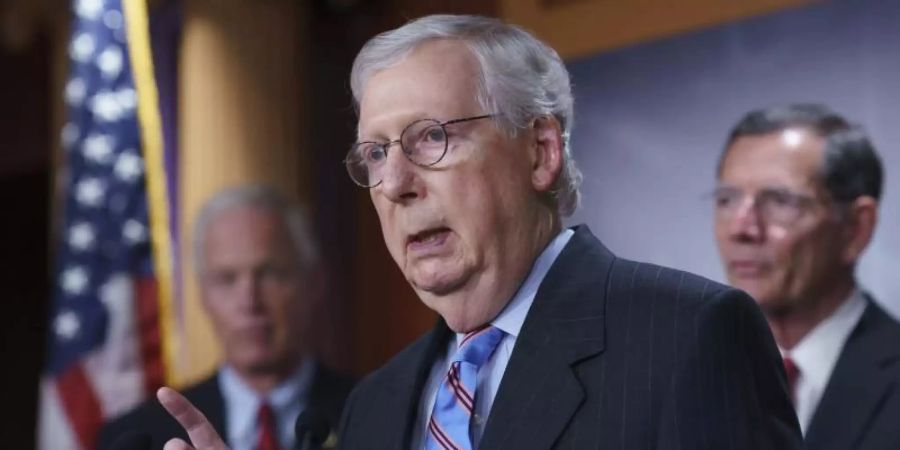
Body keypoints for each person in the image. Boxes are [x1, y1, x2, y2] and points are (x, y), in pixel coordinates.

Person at [155, 15, 802, 450]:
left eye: (431, 137)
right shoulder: (372, 408)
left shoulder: (691, 338)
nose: (395, 184)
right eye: (376, 154)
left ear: (541, 151)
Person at [96, 185, 354, 450]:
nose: (249, 301)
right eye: (226, 279)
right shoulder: (139, 437)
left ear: (314, 283)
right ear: (202, 295)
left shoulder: (376, 414)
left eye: (269, 274)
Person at [713, 104, 900, 450]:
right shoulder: (695, 377)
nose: (742, 228)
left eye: (780, 201)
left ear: (856, 228)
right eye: (727, 199)